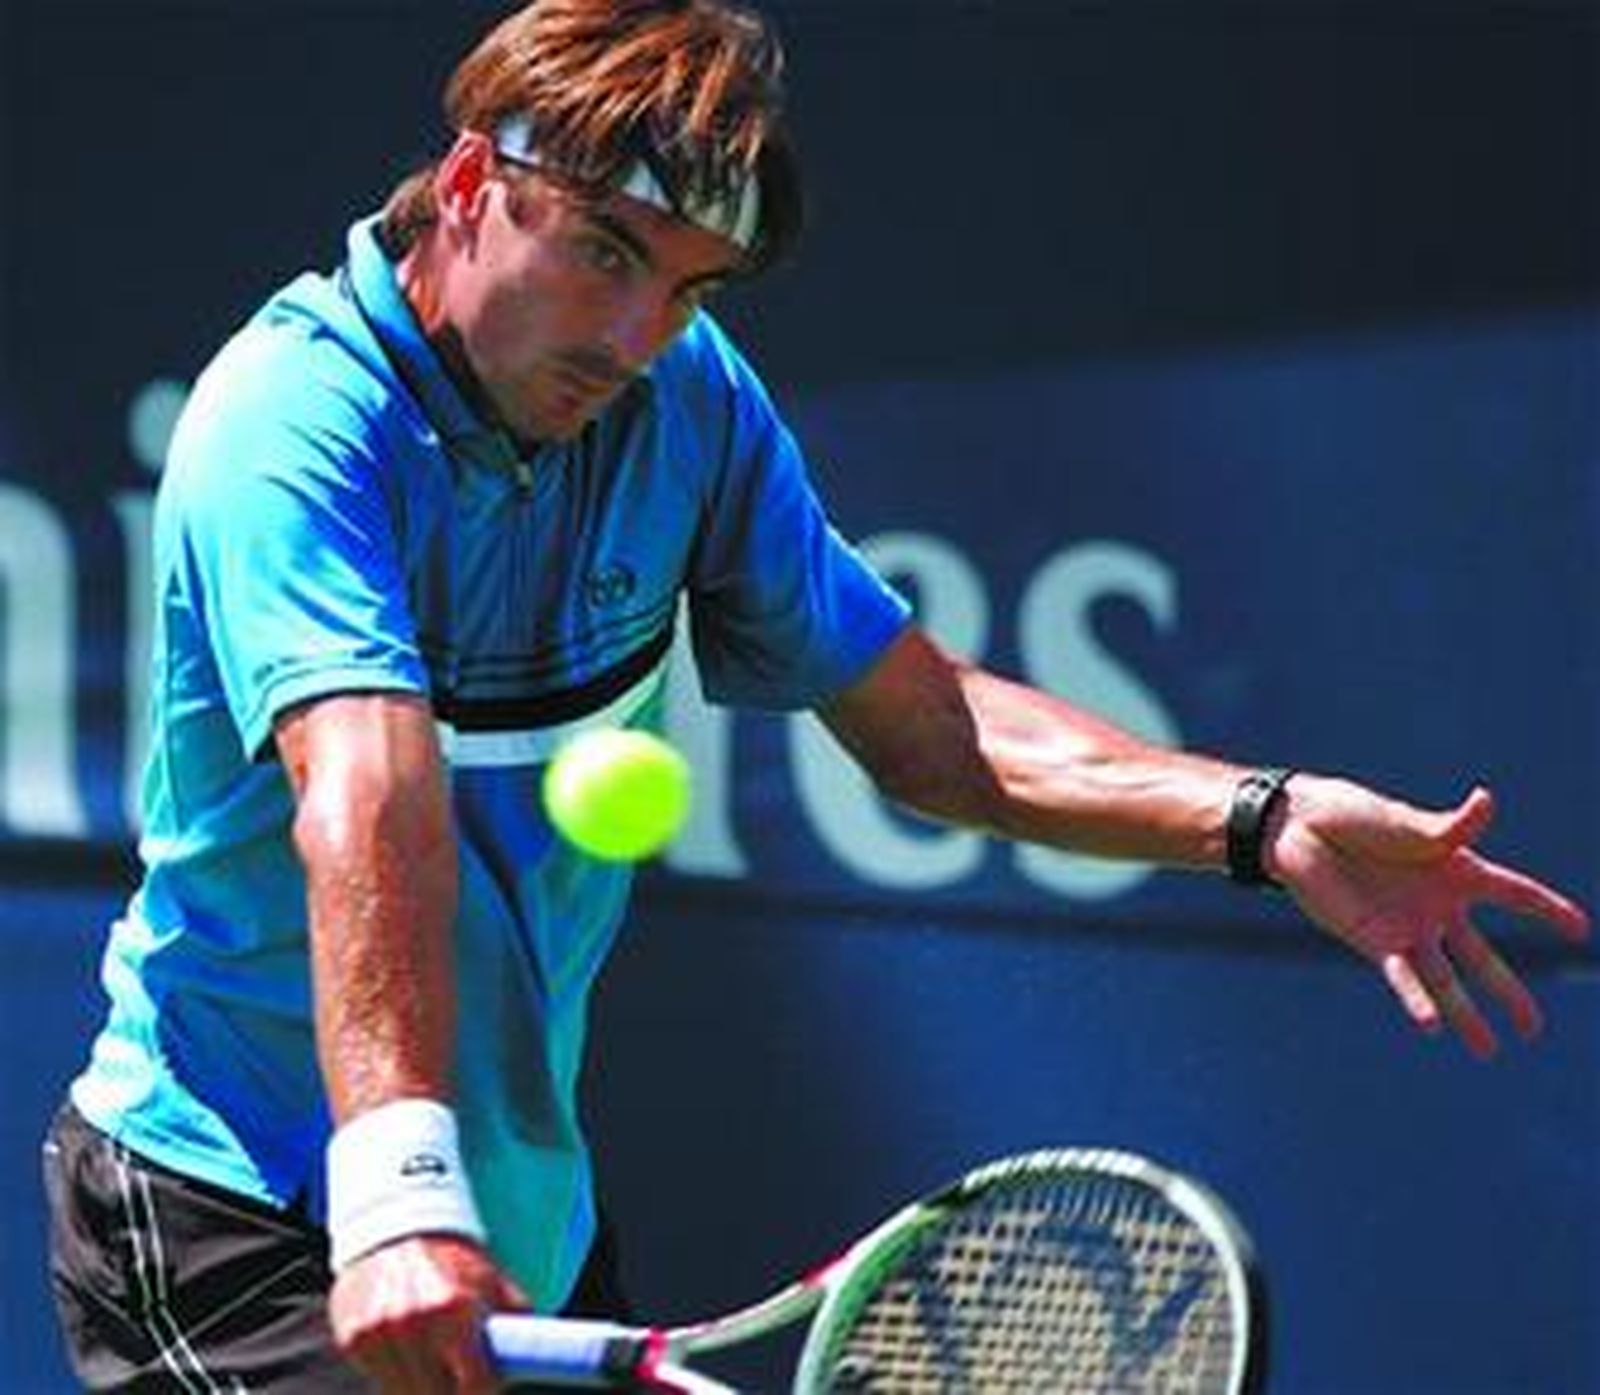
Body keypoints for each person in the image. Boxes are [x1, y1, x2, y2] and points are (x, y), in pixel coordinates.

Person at [42, 1, 1588, 1391]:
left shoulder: (688, 403)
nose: (638, 336)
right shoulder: (293, 421)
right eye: (605, 252)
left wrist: (1259, 818)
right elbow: (369, 796)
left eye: (690, 289)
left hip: (508, 1221)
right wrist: (396, 1196)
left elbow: (931, 731)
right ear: (466, 185)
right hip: (241, 1203)